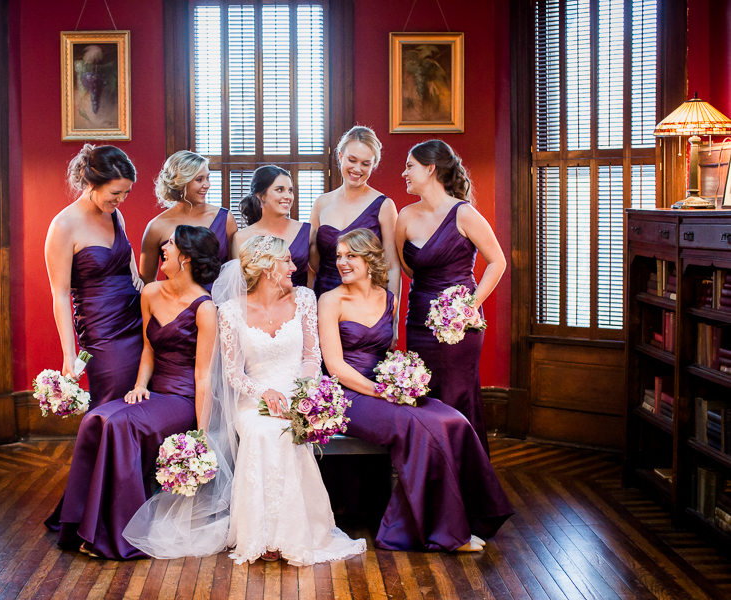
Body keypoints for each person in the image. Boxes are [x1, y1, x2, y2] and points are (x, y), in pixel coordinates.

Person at [124, 236, 366, 566]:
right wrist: (263, 393)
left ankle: (294, 533)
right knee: (262, 431)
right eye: (287, 262)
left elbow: (312, 357)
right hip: (253, 397)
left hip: (297, 394)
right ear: (268, 268)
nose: (294, 267)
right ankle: (261, 535)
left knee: (285, 431)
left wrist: (300, 395)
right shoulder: (231, 311)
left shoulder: (306, 299)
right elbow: (234, 374)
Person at [318, 229, 512, 552]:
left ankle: (477, 516)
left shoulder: (389, 298)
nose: (342, 262)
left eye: (350, 255)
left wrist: (403, 378)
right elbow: (335, 366)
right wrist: (380, 391)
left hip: (386, 387)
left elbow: (390, 349)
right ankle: (445, 533)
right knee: (417, 426)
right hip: (348, 395)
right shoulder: (330, 300)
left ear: (369, 260)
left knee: (452, 420)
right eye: (338, 256)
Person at [46, 225, 221, 559]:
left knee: (119, 425)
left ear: (185, 257)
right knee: (97, 417)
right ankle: (79, 523)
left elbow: (203, 377)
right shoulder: (151, 293)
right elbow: (148, 349)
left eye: (170, 244)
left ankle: (115, 535)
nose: (163, 248)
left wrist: (201, 433)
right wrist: (140, 386)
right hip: (154, 392)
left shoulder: (205, 308)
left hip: (183, 400)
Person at [395, 140, 506, 454]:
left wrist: (468, 306)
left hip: (459, 325)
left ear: (430, 169)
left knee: (457, 397)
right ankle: (431, 476)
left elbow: (498, 261)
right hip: (419, 321)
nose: (404, 173)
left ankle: (463, 480)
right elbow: (408, 267)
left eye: (409, 166)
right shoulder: (405, 216)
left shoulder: (464, 214)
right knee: (424, 395)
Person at [44, 144, 144, 408]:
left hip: (137, 320)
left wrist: (135, 272)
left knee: (144, 400)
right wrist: (70, 353)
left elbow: (125, 253)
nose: (121, 199)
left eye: (126, 192)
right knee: (115, 403)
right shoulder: (63, 226)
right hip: (103, 332)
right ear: (91, 183)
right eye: (115, 192)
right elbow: (61, 294)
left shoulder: (115, 215)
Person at [310, 126, 400, 301]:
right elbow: (311, 261)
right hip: (324, 297)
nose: (357, 169)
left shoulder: (384, 206)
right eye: (352, 160)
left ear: (373, 165)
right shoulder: (321, 203)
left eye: (366, 164)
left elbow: (392, 267)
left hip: (366, 303)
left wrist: (392, 317)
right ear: (341, 156)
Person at [139, 151, 237, 283]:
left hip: (220, 301)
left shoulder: (225, 218)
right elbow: (147, 281)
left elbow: (235, 271)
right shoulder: (156, 226)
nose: (207, 185)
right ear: (180, 183)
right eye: (199, 179)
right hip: (177, 302)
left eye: (208, 178)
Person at [232, 165, 311, 287]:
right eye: (280, 190)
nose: (288, 196)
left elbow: (314, 276)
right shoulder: (241, 238)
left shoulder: (308, 232)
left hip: (299, 302)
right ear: (260, 196)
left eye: (290, 190)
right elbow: (238, 285)